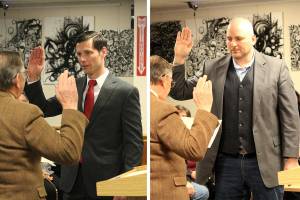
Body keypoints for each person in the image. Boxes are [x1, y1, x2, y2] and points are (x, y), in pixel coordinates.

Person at [170, 17, 300, 200]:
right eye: (229, 38)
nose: (233, 44)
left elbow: (290, 116)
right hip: (226, 163)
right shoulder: (212, 68)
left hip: (266, 161)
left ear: (253, 39)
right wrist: (180, 58)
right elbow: (179, 90)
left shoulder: (276, 68)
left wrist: (291, 158)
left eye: (239, 38)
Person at [24, 31, 143, 200]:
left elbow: (134, 143)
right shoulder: (74, 85)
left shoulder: (126, 92)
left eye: (88, 53)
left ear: (103, 52)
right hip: (71, 180)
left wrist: (126, 185)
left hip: (107, 181)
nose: (82, 59)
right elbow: (43, 109)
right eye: (79, 54)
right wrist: (34, 77)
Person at [0, 51, 88, 200]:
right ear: (17, 79)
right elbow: (68, 152)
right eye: (23, 73)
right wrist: (70, 106)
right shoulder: (25, 113)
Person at [150, 55, 219, 200]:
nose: (171, 86)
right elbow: (193, 149)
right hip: (165, 191)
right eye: (171, 81)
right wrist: (204, 109)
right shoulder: (163, 109)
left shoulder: (142, 102)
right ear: (164, 79)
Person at [175, 105, 210, 200]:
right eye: (178, 117)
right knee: (203, 192)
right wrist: (190, 174)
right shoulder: (173, 138)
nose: (181, 120)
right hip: (186, 176)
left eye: (184, 117)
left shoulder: (196, 136)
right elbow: (174, 166)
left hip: (201, 173)